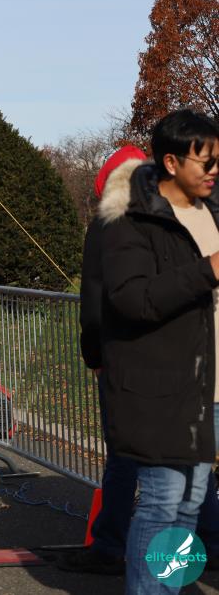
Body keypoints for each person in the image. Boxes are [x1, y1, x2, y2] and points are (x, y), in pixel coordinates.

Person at [99, 110, 219, 593]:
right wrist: (209, 270)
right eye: (204, 161)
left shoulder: (212, 212)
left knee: (192, 502)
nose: (213, 170)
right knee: (163, 500)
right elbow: (133, 299)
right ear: (171, 162)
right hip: (159, 388)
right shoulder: (131, 219)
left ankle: (166, 587)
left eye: (217, 160)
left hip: (208, 387)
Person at [60, 146, 147, 575]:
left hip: (120, 355)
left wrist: (93, 353)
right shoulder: (171, 216)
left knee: (122, 453)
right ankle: (204, 539)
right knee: (180, 458)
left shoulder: (105, 223)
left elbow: (93, 298)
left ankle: (111, 544)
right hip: (173, 354)